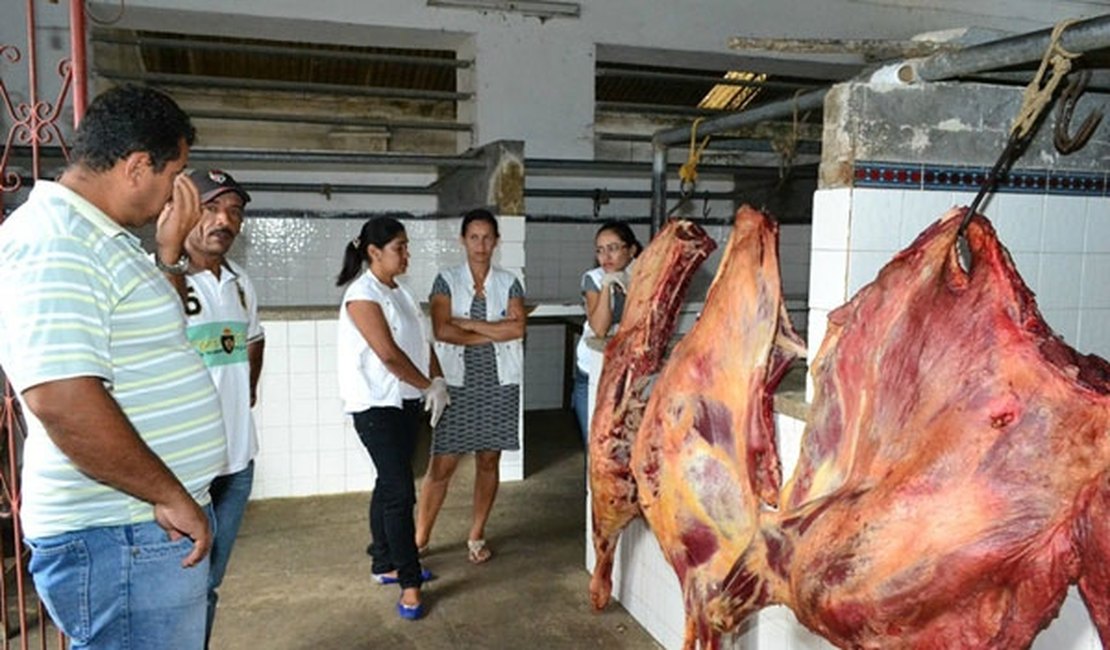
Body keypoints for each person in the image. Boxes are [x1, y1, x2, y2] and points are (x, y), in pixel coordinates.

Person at [0, 84, 223, 649]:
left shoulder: (101, 237)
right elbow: (61, 397)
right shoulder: (57, 242)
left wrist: (168, 249)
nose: (180, 190)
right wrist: (170, 494)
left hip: (133, 527)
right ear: (138, 166)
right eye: (177, 172)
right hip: (118, 532)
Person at [164, 168, 265, 647]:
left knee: (208, 584)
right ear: (182, 211)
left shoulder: (241, 282)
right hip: (183, 470)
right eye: (211, 207)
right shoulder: (159, 278)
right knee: (179, 588)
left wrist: (247, 390)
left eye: (234, 211)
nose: (224, 220)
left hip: (237, 461)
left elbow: (254, 338)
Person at [336, 216, 448, 621]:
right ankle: (409, 582)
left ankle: (383, 562)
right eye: (399, 246)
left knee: (389, 482)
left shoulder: (400, 291)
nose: (407, 254)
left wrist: (436, 379)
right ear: (373, 252)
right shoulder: (361, 294)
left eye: (406, 246)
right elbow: (387, 353)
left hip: (404, 403)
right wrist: (426, 385)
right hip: (374, 405)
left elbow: (421, 342)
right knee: (401, 492)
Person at [415, 209, 525, 565]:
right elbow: (443, 330)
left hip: (498, 383)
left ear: (496, 241)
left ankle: (477, 534)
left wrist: (469, 324)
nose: (481, 245)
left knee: (489, 460)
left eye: (487, 237)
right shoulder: (445, 280)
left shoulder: (510, 282)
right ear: (462, 240)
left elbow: (517, 329)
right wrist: (492, 329)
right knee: (442, 463)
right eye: (474, 237)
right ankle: (419, 538)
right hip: (457, 384)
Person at [571, 221, 642, 444]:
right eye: (600, 250)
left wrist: (634, 286)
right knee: (595, 443)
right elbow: (599, 329)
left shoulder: (644, 277)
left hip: (628, 371)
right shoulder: (593, 278)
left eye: (613, 248)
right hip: (593, 370)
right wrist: (607, 286)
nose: (606, 256)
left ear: (631, 250)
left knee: (626, 443)